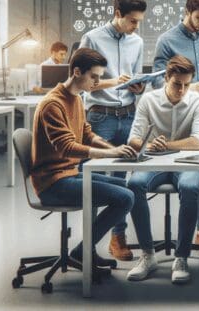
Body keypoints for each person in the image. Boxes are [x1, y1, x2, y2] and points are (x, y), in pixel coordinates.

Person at [30, 48, 138, 273]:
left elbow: (87, 133)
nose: (98, 82)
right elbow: (67, 146)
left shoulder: (77, 98)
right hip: (52, 183)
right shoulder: (53, 104)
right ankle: (81, 252)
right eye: (94, 77)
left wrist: (115, 148)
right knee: (125, 198)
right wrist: (112, 154)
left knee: (128, 188)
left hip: (68, 174)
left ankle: (85, 251)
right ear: (77, 71)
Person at [124, 56, 199, 284]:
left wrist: (167, 145)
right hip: (153, 159)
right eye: (176, 84)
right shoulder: (148, 100)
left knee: (191, 186)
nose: (182, 90)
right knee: (134, 184)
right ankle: (148, 254)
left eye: (186, 85)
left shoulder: (198, 101)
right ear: (166, 79)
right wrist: (150, 145)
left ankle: (181, 257)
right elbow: (133, 138)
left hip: (187, 161)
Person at [79, 0, 147, 261]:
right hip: (100, 117)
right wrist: (115, 81)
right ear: (117, 14)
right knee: (95, 183)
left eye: (139, 21)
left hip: (128, 114)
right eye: (132, 21)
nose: (136, 26)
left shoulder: (137, 41)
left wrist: (139, 85)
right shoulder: (93, 38)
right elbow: (82, 82)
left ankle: (118, 238)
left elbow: (136, 78)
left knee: (121, 182)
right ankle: (88, 248)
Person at [152, 0, 199, 249]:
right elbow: (159, 79)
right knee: (186, 172)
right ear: (187, 11)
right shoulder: (166, 40)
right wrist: (188, 88)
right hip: (176, 114)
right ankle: (195, 229)